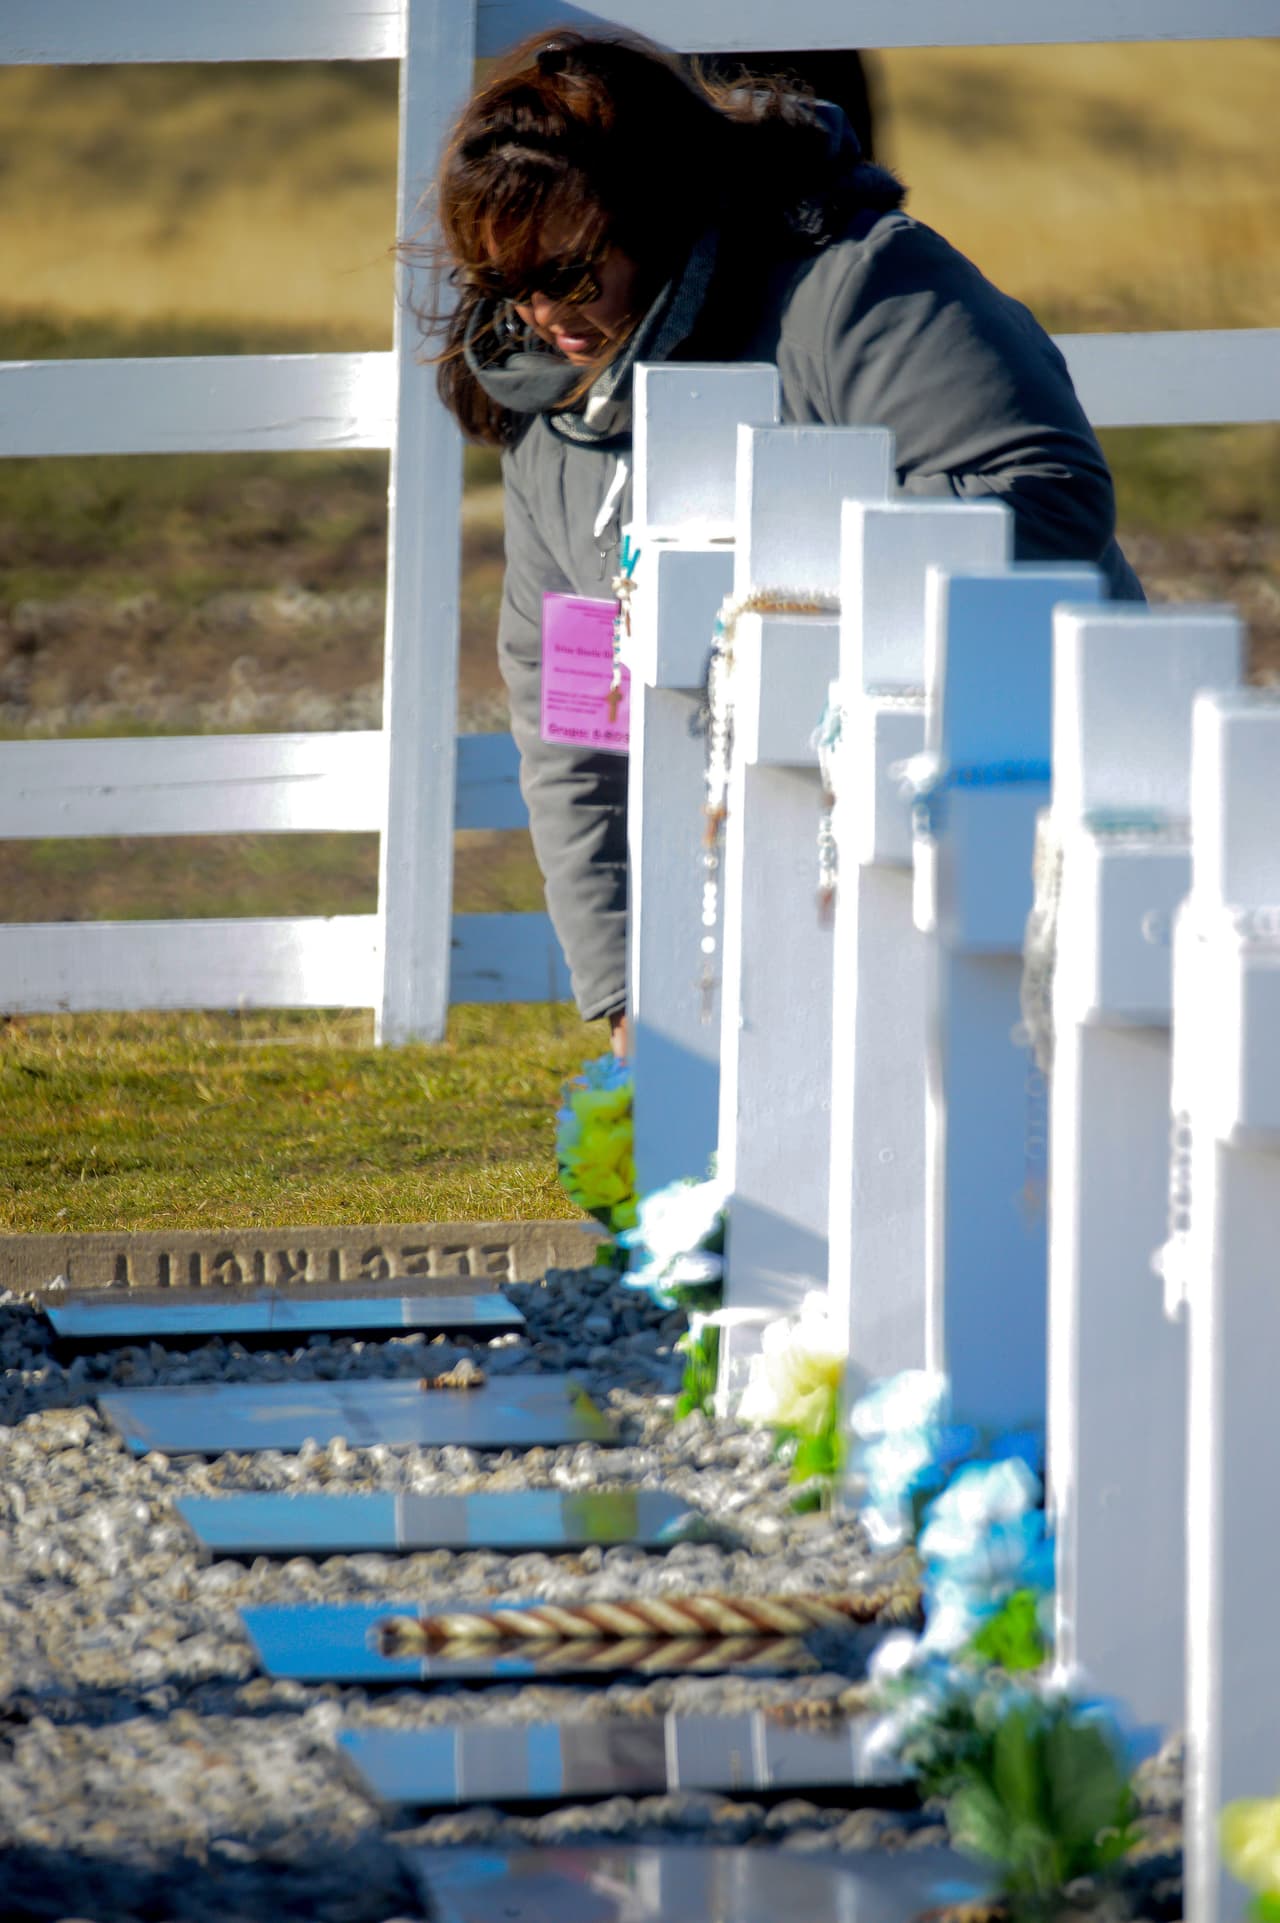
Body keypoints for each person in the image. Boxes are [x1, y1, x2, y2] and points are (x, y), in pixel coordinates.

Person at [414, 30, 1143, 1058]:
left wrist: (769, 593)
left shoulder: (861, 284)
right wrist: (623, 983)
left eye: (571, 272)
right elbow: (578, 722)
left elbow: (1049, 499)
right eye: (505, 282)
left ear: (655, 209)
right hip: (772, 878)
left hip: (1014, 808)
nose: (541, 315)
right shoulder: (550, 415)